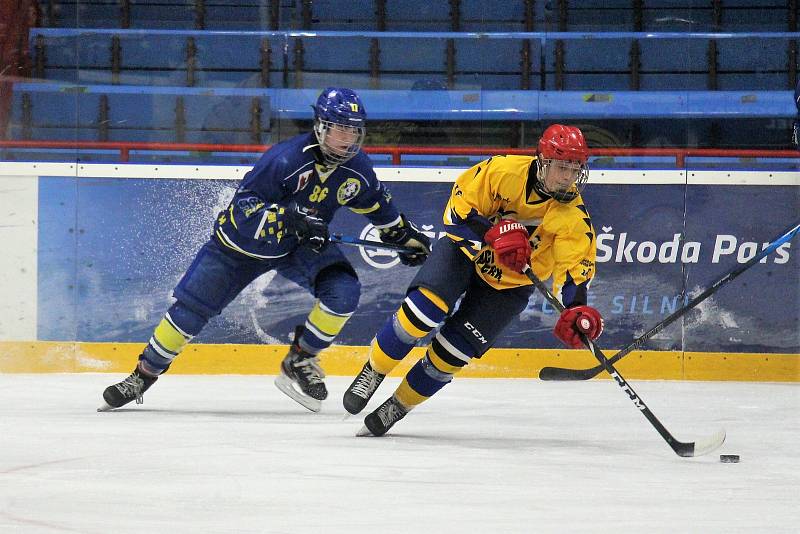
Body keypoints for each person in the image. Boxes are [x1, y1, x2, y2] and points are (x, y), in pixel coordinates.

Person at [98, 87, 431, 413]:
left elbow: (378, 207)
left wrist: (404, 240)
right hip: (238, 247)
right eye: (339, 129)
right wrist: (290, 217)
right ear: (320, 127)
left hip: (295, 247)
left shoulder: (357, 168)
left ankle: (300, 359)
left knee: (343, 291)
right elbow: (244, 208)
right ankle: (142, 375)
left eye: (353, 131)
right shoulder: (284, 159)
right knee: (190, 312)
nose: (346, 139)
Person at [343, 124, 604, 436]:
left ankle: (399, 404)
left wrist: (577, 309)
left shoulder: (573, 215)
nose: (568, 177)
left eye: (575, 169)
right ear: (543, 160)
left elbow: (574, 268)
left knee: (450, 354)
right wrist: (491, 233)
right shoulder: (502, 170)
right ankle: (374, 370)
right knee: (421, 314)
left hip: (510, 285)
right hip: (465, 255)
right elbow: (457, 210)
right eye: (562, 167)